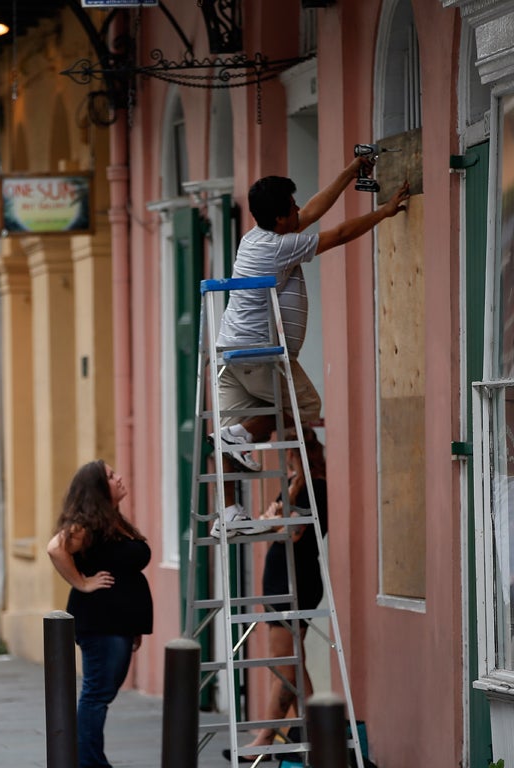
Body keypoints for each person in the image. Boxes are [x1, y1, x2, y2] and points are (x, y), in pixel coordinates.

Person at [210, 158, 410, 536]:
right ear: (281, 217)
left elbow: (315, 209)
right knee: (303, 406)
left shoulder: (258, 237)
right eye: (292, 206)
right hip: (259, 352)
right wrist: (383, 213)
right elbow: (337, 235)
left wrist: (348, 173)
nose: (299, 210)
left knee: (231, 428)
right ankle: (239, 438)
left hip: (231, 350)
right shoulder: (277, 248)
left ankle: (230, 511)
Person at [225, 427, 328, 762]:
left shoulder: (314, 486)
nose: (282, 454)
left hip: (294, 581)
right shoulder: (296, 484)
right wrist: (272, 521)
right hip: (283, 578)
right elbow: (275, 523)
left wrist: (271, 521)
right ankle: (317, 732)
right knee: (292, 662)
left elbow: (291, 531)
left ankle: (266, 738)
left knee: (283, 664)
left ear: (296, 450)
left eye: (287, 448)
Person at [47, 460, 153, 768]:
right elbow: (56, 548)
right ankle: (89, 762)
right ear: (96, 488)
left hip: (117, 623)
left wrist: (134, 625)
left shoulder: (111, 521)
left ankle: (89, 759)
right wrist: (82, 583)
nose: (119, 477)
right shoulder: (87, 524)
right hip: (100, 623)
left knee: (100, 694)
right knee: (96, 694)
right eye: (110, 476)